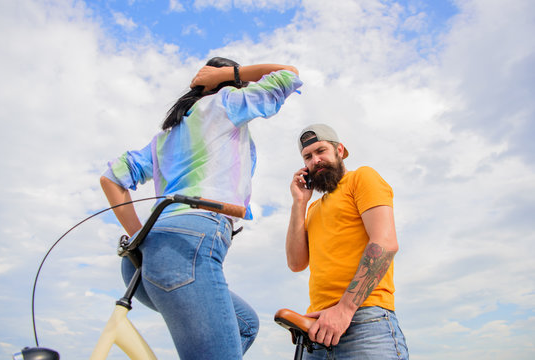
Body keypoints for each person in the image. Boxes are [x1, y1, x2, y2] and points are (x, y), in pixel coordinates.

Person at [100, 57, 302, 360]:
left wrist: (140, 238)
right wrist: (227, 75)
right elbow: (289, 75)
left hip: (142, 263)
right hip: (187, 248)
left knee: (245, 324)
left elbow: (112, 179)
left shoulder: (165, 135)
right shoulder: (225, 103)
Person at [285, 124, 409, 359]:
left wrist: (344, 310)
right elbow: (296, 263)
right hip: (318, 328)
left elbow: (385, 243)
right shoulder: (312, 209)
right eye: (308, 157)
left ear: (339, 150)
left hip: (364, 321)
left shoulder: (361, 178)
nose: (315, 160)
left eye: (321, 151)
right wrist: (299, 203)